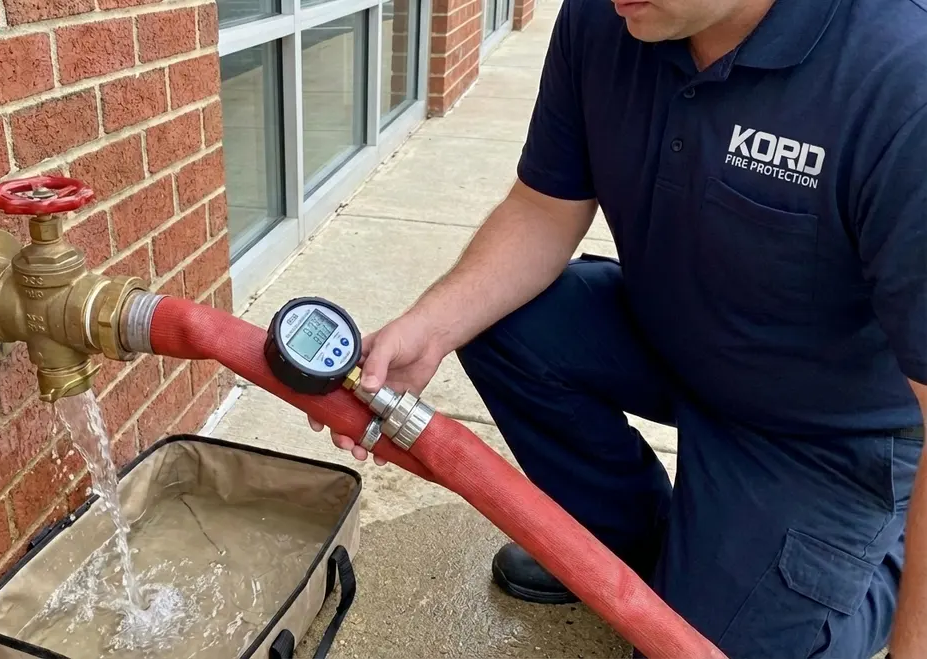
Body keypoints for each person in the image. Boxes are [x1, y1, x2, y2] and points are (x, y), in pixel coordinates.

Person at [307, 0, 927, 656]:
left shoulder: (898, 75)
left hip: (819, 437)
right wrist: (426, 330)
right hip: (674, 333)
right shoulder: (610, 18)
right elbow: (544, 208)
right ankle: (625, 549)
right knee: (495, 320)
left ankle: (861, 580)